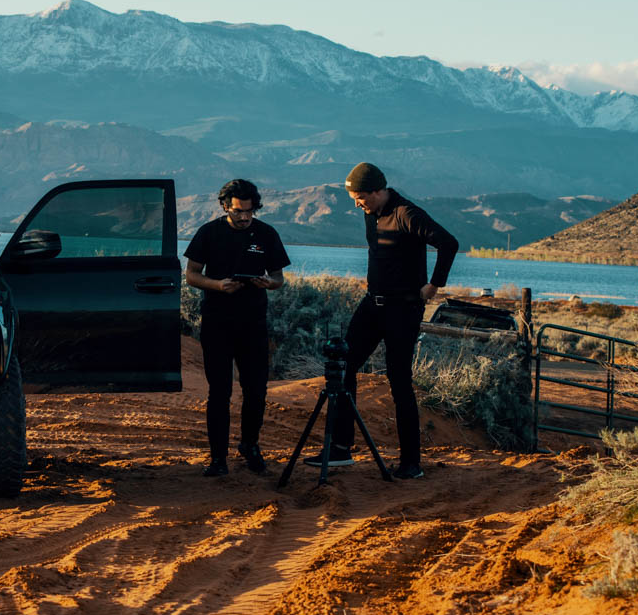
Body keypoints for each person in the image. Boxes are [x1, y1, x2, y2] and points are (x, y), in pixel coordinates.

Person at [315, 162, 458, 480]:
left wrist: (434, 284)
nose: (357, 204)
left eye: (361, 197)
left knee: (399, 380)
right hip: (372, 304)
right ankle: (340, 448)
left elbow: (448, 243)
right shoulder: (371, 213)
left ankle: (411, 462)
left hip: (403, 309)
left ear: (379, 191)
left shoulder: (407, 214)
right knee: (344, 364)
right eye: (354, 197)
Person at [183, 179, 291, 477]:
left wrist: (270, 283)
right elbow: (191, 275)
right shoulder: (209, 232)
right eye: (238, 212)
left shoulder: (266, 234)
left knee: (256, 390)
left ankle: (250, 445)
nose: (244, 217)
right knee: (220, 391)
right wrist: (217, 285)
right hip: (217, 323)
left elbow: (279, 278)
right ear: (225, 207)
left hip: (253, 323)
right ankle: (218, 458)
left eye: (249, 211)